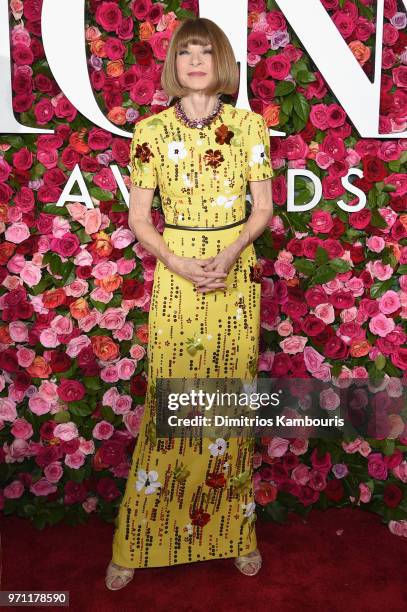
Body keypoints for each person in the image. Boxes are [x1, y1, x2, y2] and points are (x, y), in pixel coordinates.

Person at [105, 16, 274, 590]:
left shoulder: (251, 127)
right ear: (173, 64)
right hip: (176, 270)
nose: (195, 61)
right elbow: (136, 218)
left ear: (221, 62)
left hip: (233, 267)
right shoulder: (149, 131)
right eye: (185, 53)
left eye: (205, 52)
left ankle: (234, 533)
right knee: (169, 406)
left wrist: (226, 258)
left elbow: (263, 210)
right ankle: (139, 540)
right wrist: (177, 262)